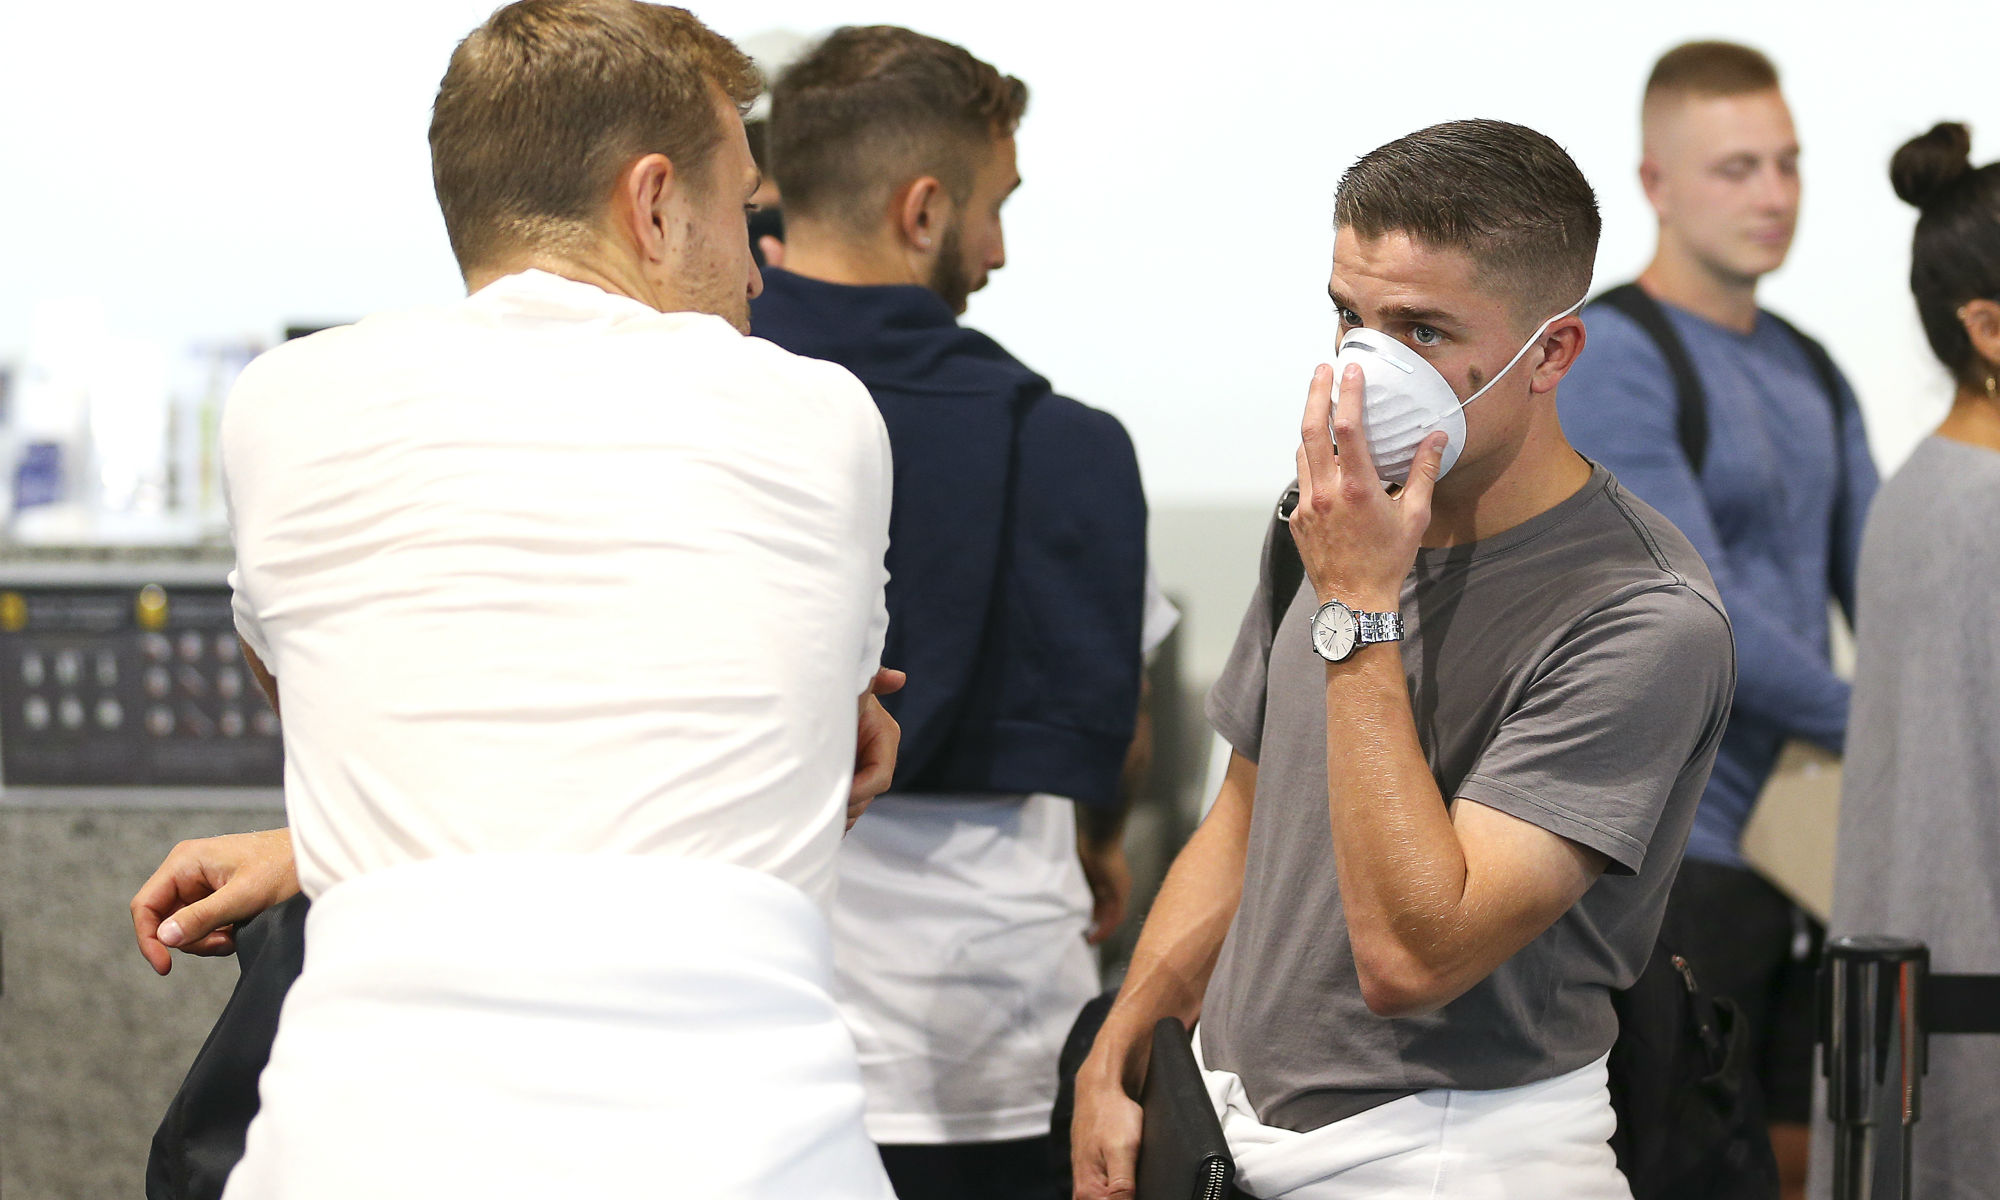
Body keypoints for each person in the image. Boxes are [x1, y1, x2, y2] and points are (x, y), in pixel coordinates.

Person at [135, 3, 906, 1196]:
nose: (758, 266)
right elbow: (828, 722)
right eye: (744, 214)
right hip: (743, 1155)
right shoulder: (822, 415)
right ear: (653, 204)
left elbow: (329, 696)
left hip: (361, 1153)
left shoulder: (283, 404)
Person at [1070, 118, 1737, 1200]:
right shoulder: (1330, 522)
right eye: (1350, 318)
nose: (1366, 370)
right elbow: (1244, 816)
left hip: (1453, 1157)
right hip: (1231, 1133)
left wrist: (1358, 605)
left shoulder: (1639, 615)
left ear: (1550, 354)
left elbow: (1414, 958)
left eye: (1420, 332)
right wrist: (1120, 1048)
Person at [752, 26, 1151, 1200]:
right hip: (982, 1048)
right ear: (920, 212)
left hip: (726, 1025)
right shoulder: (1063, 446)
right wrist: (1101, 845)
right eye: (992, 208)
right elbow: (1108, 728)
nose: (998, 251)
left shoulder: (682, 419)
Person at [1555, 43, 1878, 1196]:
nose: (1773, 194)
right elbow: (1700, 612)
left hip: (1815, 844)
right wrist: (1874, 721)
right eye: (1736, 167)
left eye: (1785, 165)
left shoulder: (1809, 367)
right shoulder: (1612, 361)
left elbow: (1875, 579)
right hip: (1680, 849)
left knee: (1815, 1157)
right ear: (1653, 182)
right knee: (1682, 1164)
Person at [1816, 122, 2000, 1200]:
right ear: (1985, 325)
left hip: (1921, 1042)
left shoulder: (1926, 491)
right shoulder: (1971, 506)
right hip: (1963, 1036)